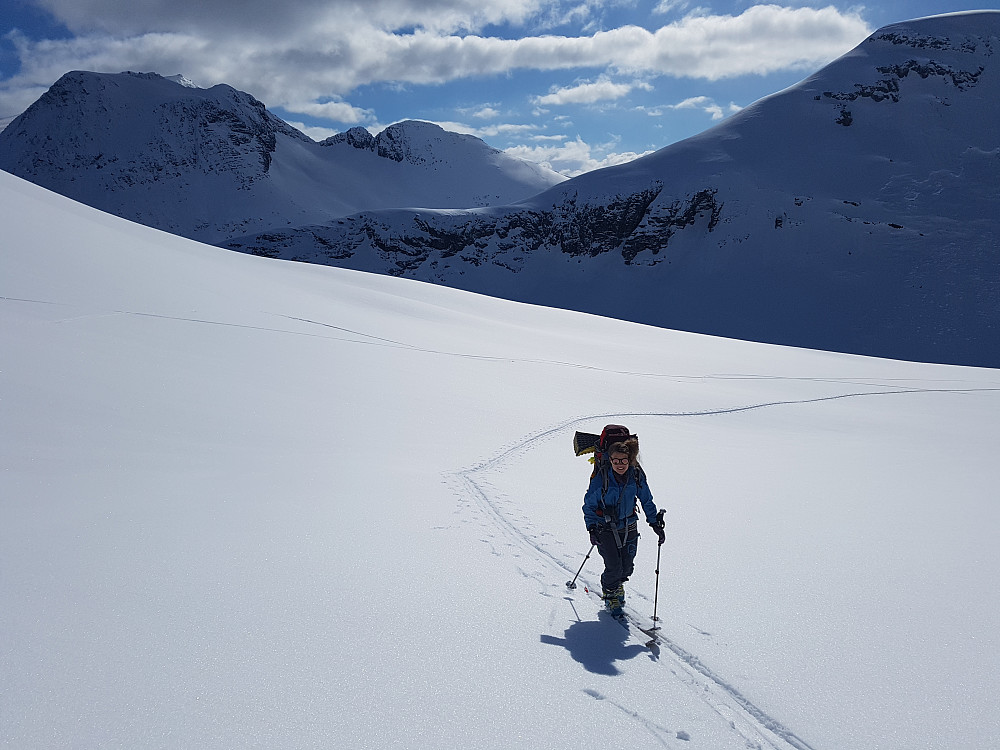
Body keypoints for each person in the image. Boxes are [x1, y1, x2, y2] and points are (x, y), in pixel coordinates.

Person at [582, 437, 664, 617]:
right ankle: (610, 593)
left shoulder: (636, 475)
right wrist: (592, 527)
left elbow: (646, 499)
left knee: (627, 567)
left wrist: (654, 522)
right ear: (610, 460)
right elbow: (589, 505)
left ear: (630, 460)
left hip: (629, 525)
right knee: (614, 566)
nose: (620, 464)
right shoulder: (601, 479)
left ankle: (617, 586)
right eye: (616, 460)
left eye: (624, 460)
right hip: (605, 528)